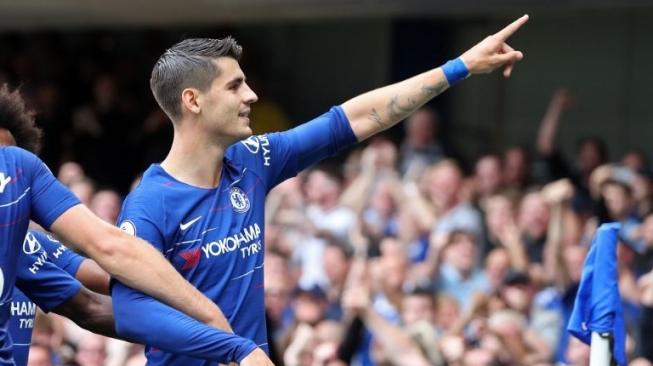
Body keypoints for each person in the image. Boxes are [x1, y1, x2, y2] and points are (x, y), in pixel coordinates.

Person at [114, 14, 529, 365]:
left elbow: (352, 119)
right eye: (234, 86)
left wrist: (460, 67)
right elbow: (130, 311)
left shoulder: (251, 160)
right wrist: (234, 349)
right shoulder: (151, 203)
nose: (251, 95)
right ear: (192, 100)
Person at [0, 85, 266, 365]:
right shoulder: (16, 169)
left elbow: (96, 300)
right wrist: (213, 322)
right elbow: (112, 249)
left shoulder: (24, 247)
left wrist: (199, 328)